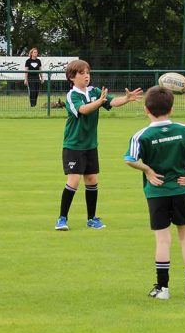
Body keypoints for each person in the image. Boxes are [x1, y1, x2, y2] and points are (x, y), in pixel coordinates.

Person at [124, 86, 185, 299]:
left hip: (156, 193)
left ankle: (162, 288)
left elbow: (130, 159)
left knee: (163, 239)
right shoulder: (184, 129)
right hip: (182, 190)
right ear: (171, 109)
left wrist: (147, 169)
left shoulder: (141, 135)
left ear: (146, 109)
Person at [55, 59, 143, 230]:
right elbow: (84, 110)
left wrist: (126, 98)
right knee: (73, 181)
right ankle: (62, 219)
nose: (86, 76)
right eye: (82, 73)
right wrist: (100, 101)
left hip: (90, 145)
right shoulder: (72, 95)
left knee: (92, 180)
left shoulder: (95, 91)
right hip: (74, 145)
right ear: (72, 77)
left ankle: (92, 219)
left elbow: (112, 102)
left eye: (88, 72)